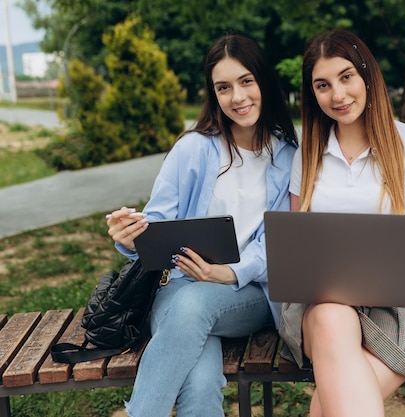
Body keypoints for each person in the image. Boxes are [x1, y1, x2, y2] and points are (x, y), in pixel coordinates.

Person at [105, 34, 297, 417]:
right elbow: (157, 222)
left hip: (249, 292)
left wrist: (227, 272)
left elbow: (278, 242)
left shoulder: (290, 156)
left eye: (246, 81)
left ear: (263, 82)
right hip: (177, 289)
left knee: (194, 306)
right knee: (202, 382)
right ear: (213, 94)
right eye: (223, 87)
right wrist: (130, 236)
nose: (237, 97)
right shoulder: (193, 148)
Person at [279, 29, 405, 417]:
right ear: (313, 94)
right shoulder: (307, 155)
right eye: (322, 85)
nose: (338, 95)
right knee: (330, 316)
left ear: (367, 76)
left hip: (395, 306)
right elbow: (299, 244)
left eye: (346, 77)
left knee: (327, 404)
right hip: (319, 306)